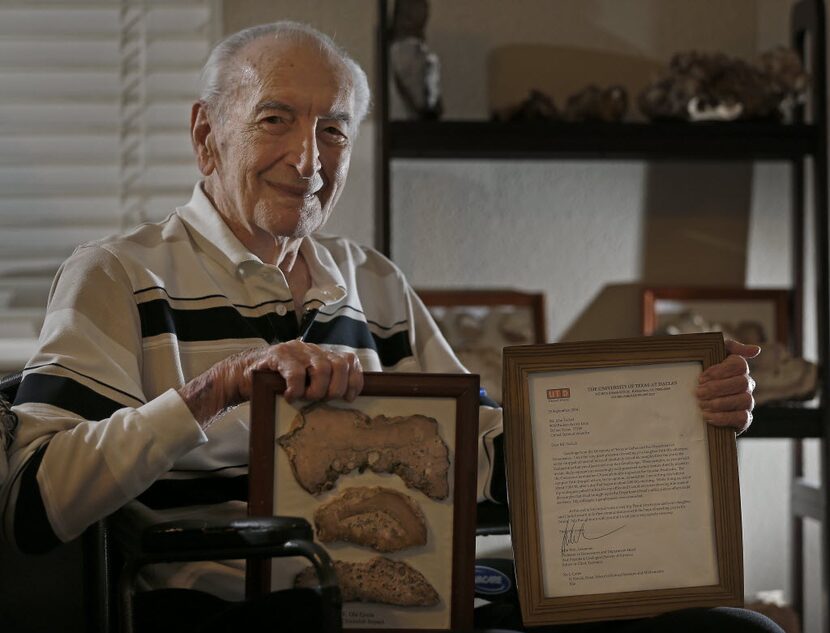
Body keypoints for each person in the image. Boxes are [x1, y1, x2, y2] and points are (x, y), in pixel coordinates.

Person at [0, 21, 771, 633]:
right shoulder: (118, 275)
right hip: (241, 609)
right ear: (206, 135)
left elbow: (486, 465)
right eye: (276, 119)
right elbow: (36, 505)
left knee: (729, 629)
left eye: (333, 131)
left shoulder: (372, 282)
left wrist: (676, 408)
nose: (307, 159)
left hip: (413, 599)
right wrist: (212, 391)